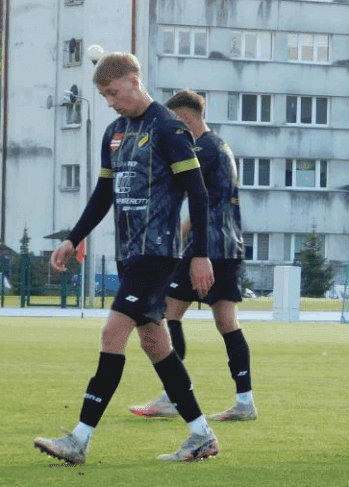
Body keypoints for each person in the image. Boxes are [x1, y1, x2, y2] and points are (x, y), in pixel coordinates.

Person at [35, 52, 219, 464]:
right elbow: (103, 194)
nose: (109, 102)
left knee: (112, 334)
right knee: (155, 344)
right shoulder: (115, 132)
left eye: (113, 92)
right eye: (104, 95)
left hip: (158, 253)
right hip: (129, 255)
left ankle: (79, 439)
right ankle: (201, 435)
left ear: (134, 82)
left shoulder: (169, 128)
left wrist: (200, 255)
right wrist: (73, 239)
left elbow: (199, 194)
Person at [128, 89, 256, 422]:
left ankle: (172, 397)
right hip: (227, 246)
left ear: (185, 118)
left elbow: (175, 182)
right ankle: (244, 401)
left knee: (168, 314)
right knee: (226, 321)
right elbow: (205, 201)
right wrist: (180, 233)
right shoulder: (220, 146)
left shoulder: (202, 148)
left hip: (207, 249)